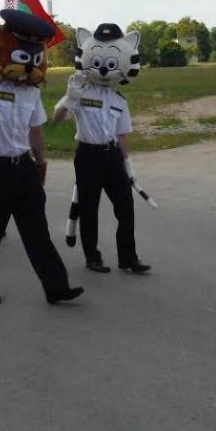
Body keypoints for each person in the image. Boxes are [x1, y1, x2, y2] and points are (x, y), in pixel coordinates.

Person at [0, 10, 83, 305]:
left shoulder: (31, 92)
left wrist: (41, 163)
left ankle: (56, 287)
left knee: (38, 231)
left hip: (23, 167)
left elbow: (35, 130)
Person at [52, 26, 151, 275]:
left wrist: (128, 164)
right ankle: (92, 257)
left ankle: (128, 258)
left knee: (125, 208)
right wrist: (69, 98)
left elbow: (121, 134)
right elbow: (56, 118)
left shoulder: (119, 100)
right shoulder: (80, 92)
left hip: (113, 157)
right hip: (88, 156)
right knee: (89, 209)